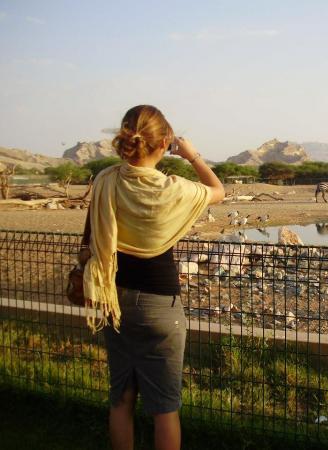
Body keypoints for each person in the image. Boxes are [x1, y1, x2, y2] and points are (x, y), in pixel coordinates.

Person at [82, 105, 225, 450]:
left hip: (114, 300)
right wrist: (192, 156)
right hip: (161, 306)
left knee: (122, 398)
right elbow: (218, 190)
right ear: (164, 143)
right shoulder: (174, 189)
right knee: (165, 407)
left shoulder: (106, 180)